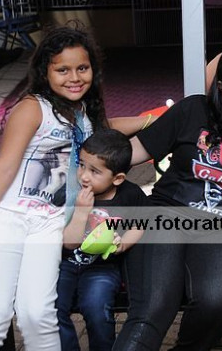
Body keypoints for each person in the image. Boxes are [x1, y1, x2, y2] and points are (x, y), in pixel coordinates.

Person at [0, 26, 109, 350]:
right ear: (45, 71)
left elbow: (108, 133)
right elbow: (3, 167)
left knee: (39, 317)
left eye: (82, 68)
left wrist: (151, 121)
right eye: (62, 70)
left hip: (47, 224)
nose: (74, 77)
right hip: (5, 218)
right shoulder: (33, 107)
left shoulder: (83, 113)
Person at [112, 43, 222, 351]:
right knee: (154, 306)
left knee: (216, 303)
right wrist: (91, 165)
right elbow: (134, 152)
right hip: (167, 214)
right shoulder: (193, 110)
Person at [57, 128, 147, 351]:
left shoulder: (130, 195)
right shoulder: (70, 193)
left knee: (96, 306)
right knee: (53, 308)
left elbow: (141, 223)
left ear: (117, 178)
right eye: (81, 165)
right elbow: (69, 243)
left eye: (94, 171)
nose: (84, 176)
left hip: (103, 267)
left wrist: (123, 244)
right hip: (66, 264)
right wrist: (81, 212)